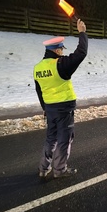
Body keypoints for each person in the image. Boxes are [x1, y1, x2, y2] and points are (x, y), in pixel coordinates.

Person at [34, 19, 88, 179]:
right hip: (64, 109)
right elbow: (81, 53)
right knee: (64, 138)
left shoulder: (38, 68)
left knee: (51, 137)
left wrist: (44, 107)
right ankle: (60, 169)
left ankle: (44, 168)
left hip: (50, 108)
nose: (63, 52)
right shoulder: (61, 64)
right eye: (61, 50)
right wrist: (82, 32)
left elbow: (39, 90)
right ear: (57, 51)